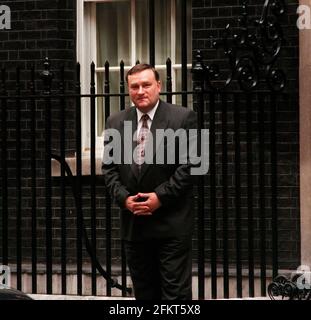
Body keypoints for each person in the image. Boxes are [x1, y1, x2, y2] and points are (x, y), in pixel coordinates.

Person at [102, 63, 197, 300]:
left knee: (174, 295)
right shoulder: (114, 121)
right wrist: (125, 199)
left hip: (172, 225)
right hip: (135, 227)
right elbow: (109, 168)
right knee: (144, 294)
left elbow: (195, 165)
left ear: (159, 86)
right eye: (135, 86)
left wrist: (160, 197)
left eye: (146, 84)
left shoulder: (185, 117)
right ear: (128, 90)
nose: (140, 90)